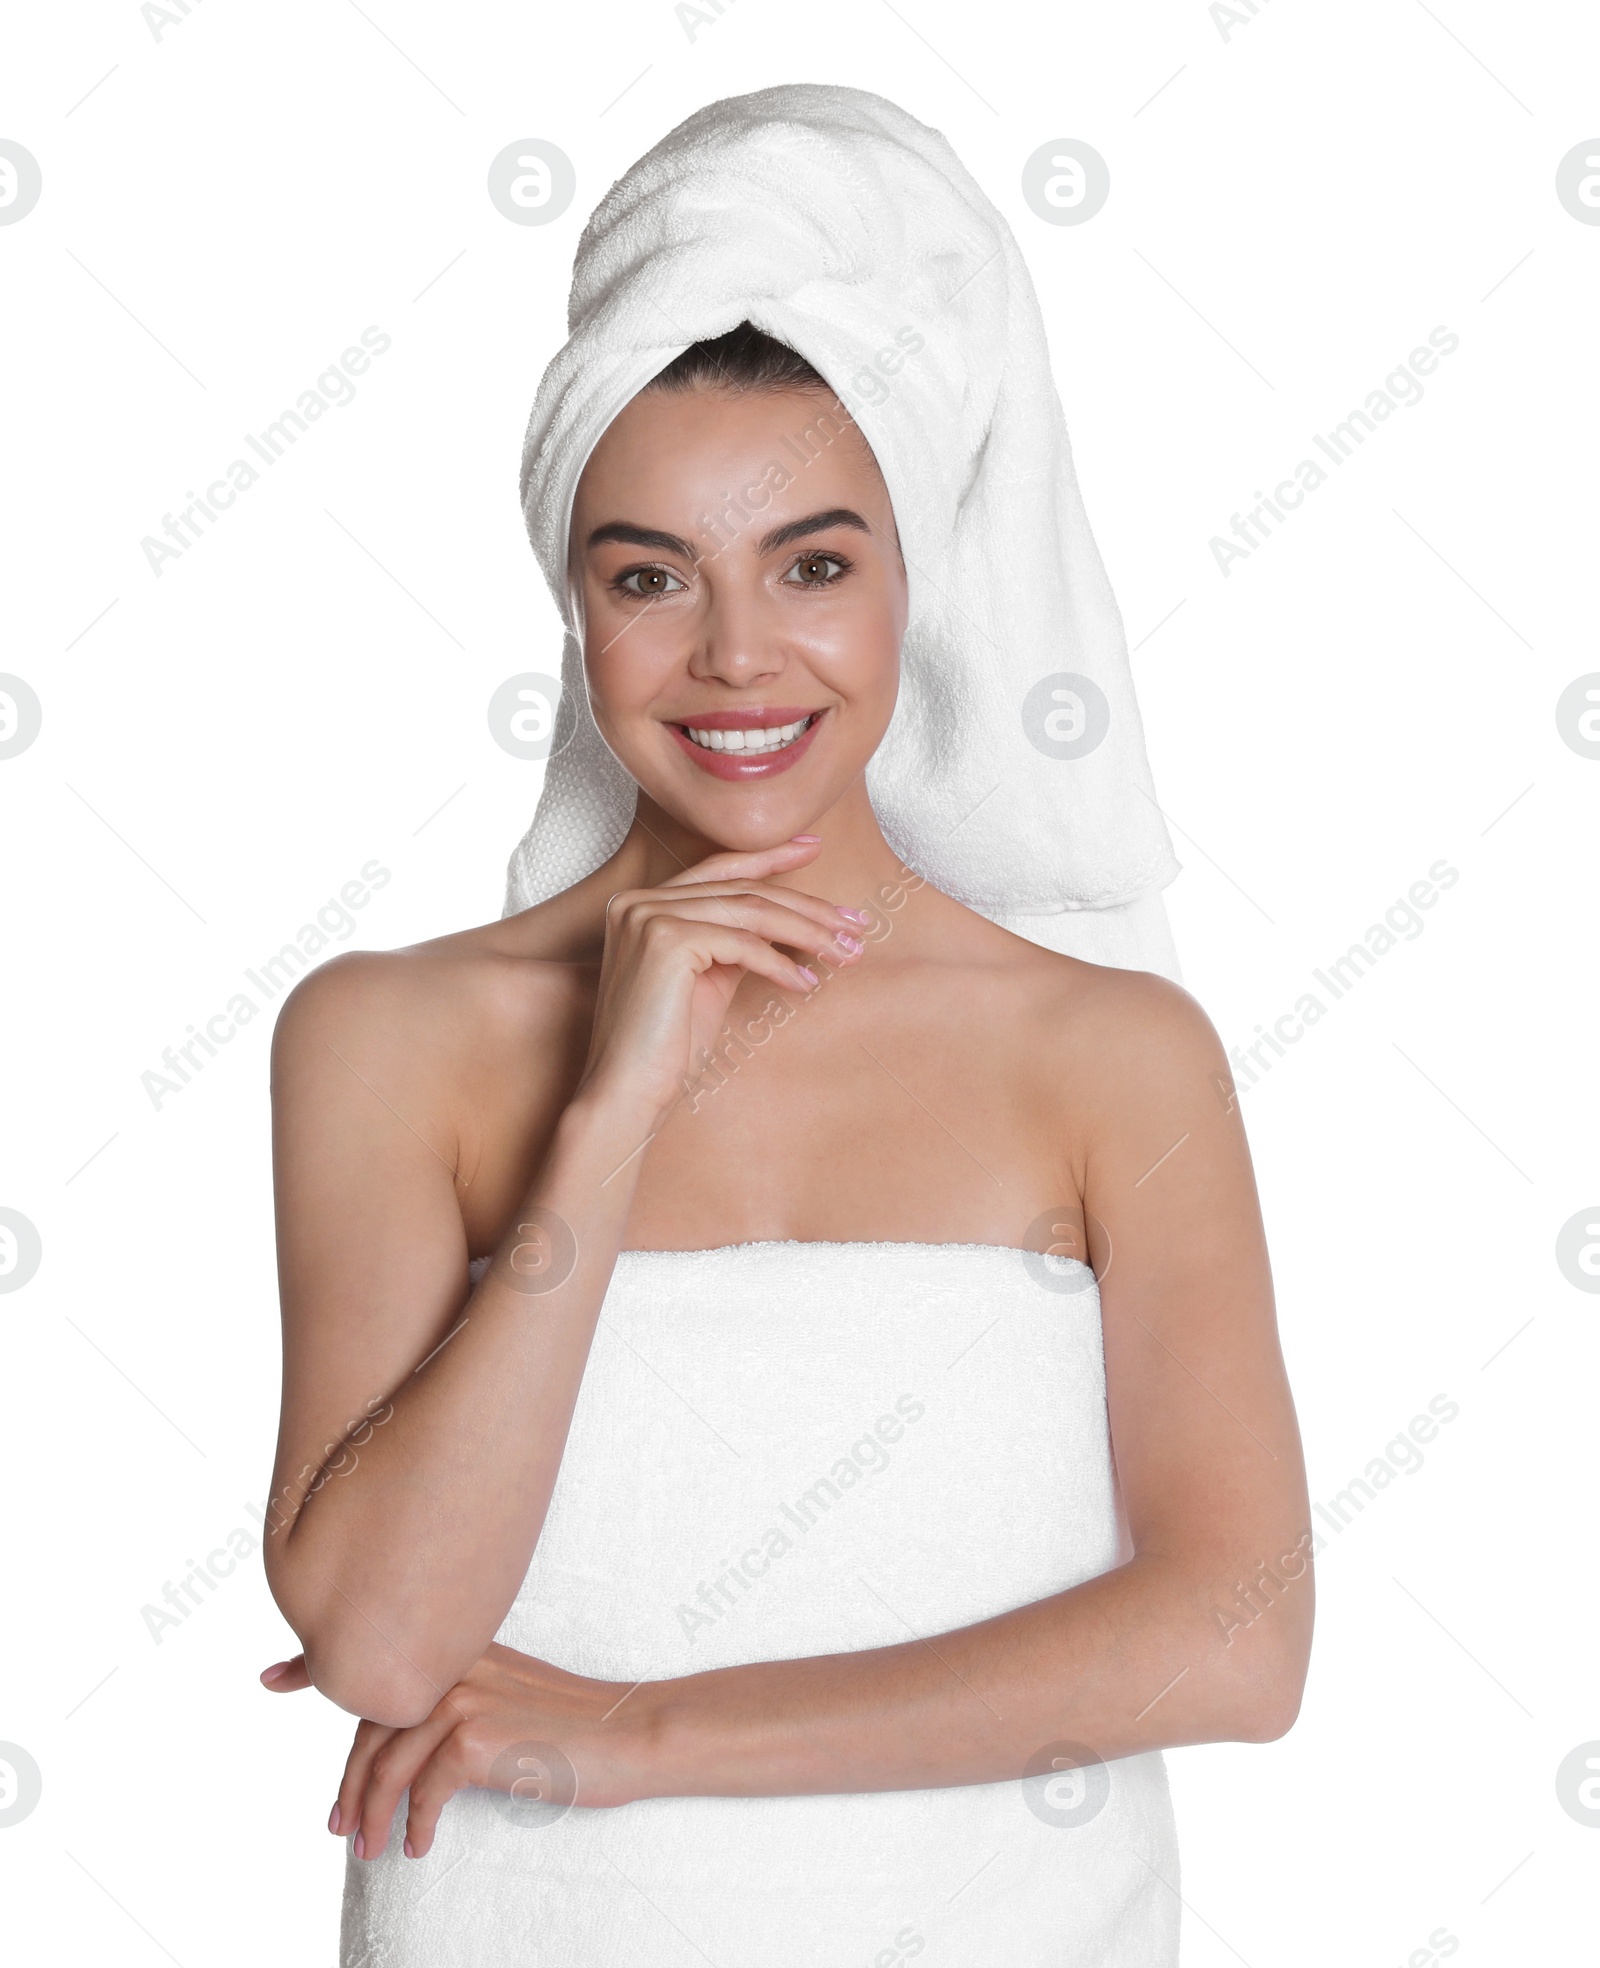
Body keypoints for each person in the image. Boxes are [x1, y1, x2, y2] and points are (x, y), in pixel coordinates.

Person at [258, 86, 1312, 1967]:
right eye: (649, 575)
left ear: (921, 580)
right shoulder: (388, 1037)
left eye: (814, 566)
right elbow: (389, 1642)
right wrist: (612, 1105)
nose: (738, 656)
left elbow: (1238, 1636)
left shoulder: (1111, 1056)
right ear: (572, 610)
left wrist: (640, 1737)